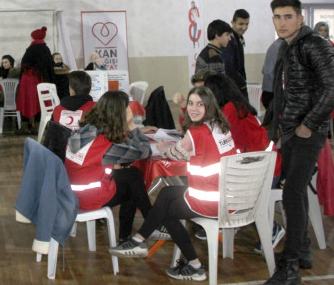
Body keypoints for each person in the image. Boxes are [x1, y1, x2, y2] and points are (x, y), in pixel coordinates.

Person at [109, 86, 237, 282]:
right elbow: (203, 151)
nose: (193, 108)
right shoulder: (221, 127)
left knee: (166, 211)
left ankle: (194, 265)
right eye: (191, 103)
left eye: (199, 104)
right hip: (228, 196)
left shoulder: (197, 131)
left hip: (210, 200)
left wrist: (164, 147)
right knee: (167, 194)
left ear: (209, 106)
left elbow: (175, 153)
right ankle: (139, 240)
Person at [264, 0, 334, 285]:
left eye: (288, 17)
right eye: (277, 17)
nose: (282, 23)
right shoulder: (286, 46)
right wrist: (278, 130)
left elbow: (332, 88)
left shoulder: (314, 44)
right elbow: (283, 93)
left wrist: (309, 124)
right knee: (296, 192)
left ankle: (290, 266)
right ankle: (302, 250)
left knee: (292, 193)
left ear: (300, 18)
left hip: (308, 132)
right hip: (291, 131)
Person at [65, 91, 160, 243]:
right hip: (88, 197)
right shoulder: (106, 146)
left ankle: (145, 228)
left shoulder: (85, 130)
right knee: (133, 183)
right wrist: (132, 126)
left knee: (131, 174)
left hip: (71, 193)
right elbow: (144, 151)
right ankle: (143, 229)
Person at [203, 73, 284, 251]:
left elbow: (214, 135)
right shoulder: (235, 105)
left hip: (264, 168)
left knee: (227, 188)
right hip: (259, 164)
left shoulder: (230, 109)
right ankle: (228, 220)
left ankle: (271, 229)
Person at [16, 26, 54, 131]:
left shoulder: (30, 49)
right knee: (40, 102)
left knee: (27, 102)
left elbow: (24, 64)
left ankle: (26, 125)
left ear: (34, 37)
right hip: (41, 80)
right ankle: (38, 125)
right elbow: (49, 67)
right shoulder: (46, 49)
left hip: (28, 80)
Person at [222, 9, 250, 96]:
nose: (244, 27)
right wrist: (241, 83)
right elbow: (228, 67)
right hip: (233, 86)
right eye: (241, 24)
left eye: (247, 24)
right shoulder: (229, 39)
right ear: (233, 23)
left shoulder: (238, 37)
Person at [261, 38, 283, 110]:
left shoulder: (276, 45)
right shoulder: (279, 46)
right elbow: (269, 71)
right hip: (272, 91)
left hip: (270, 90)